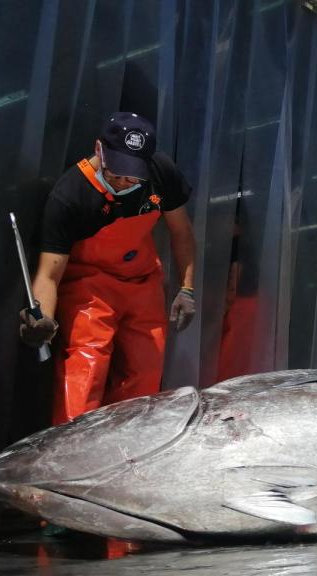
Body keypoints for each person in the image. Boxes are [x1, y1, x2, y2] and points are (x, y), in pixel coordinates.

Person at [19, 112, 197, 425]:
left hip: (142, 282)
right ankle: (72, 458)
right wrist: (42, 319)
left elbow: (181, 232)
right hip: (92, 285)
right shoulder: (69, 195)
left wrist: (187, 287)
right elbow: (48, 274)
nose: (125, 180)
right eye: (118, 171)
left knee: (145, 373)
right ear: (99, 149)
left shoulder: (161, 173)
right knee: (84, 371)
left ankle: (129, 454)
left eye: (133, 174)